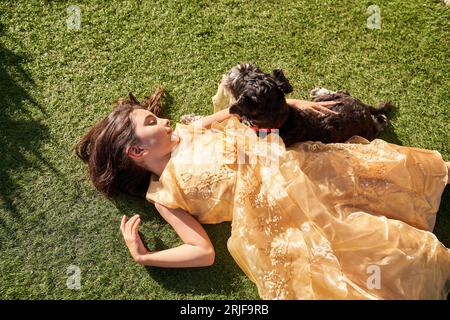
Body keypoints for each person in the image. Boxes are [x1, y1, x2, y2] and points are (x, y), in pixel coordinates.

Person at [76, 93, 450, 299]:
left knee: (369, 171)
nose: (165, 120)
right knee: (355, 240)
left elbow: (238, 111)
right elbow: (203, 252)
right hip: (271, 213)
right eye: (152, 123)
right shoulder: (164, 195)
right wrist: (147, 256)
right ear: (137, 153)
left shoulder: (191, 131)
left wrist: (291, 106)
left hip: (292, 164)